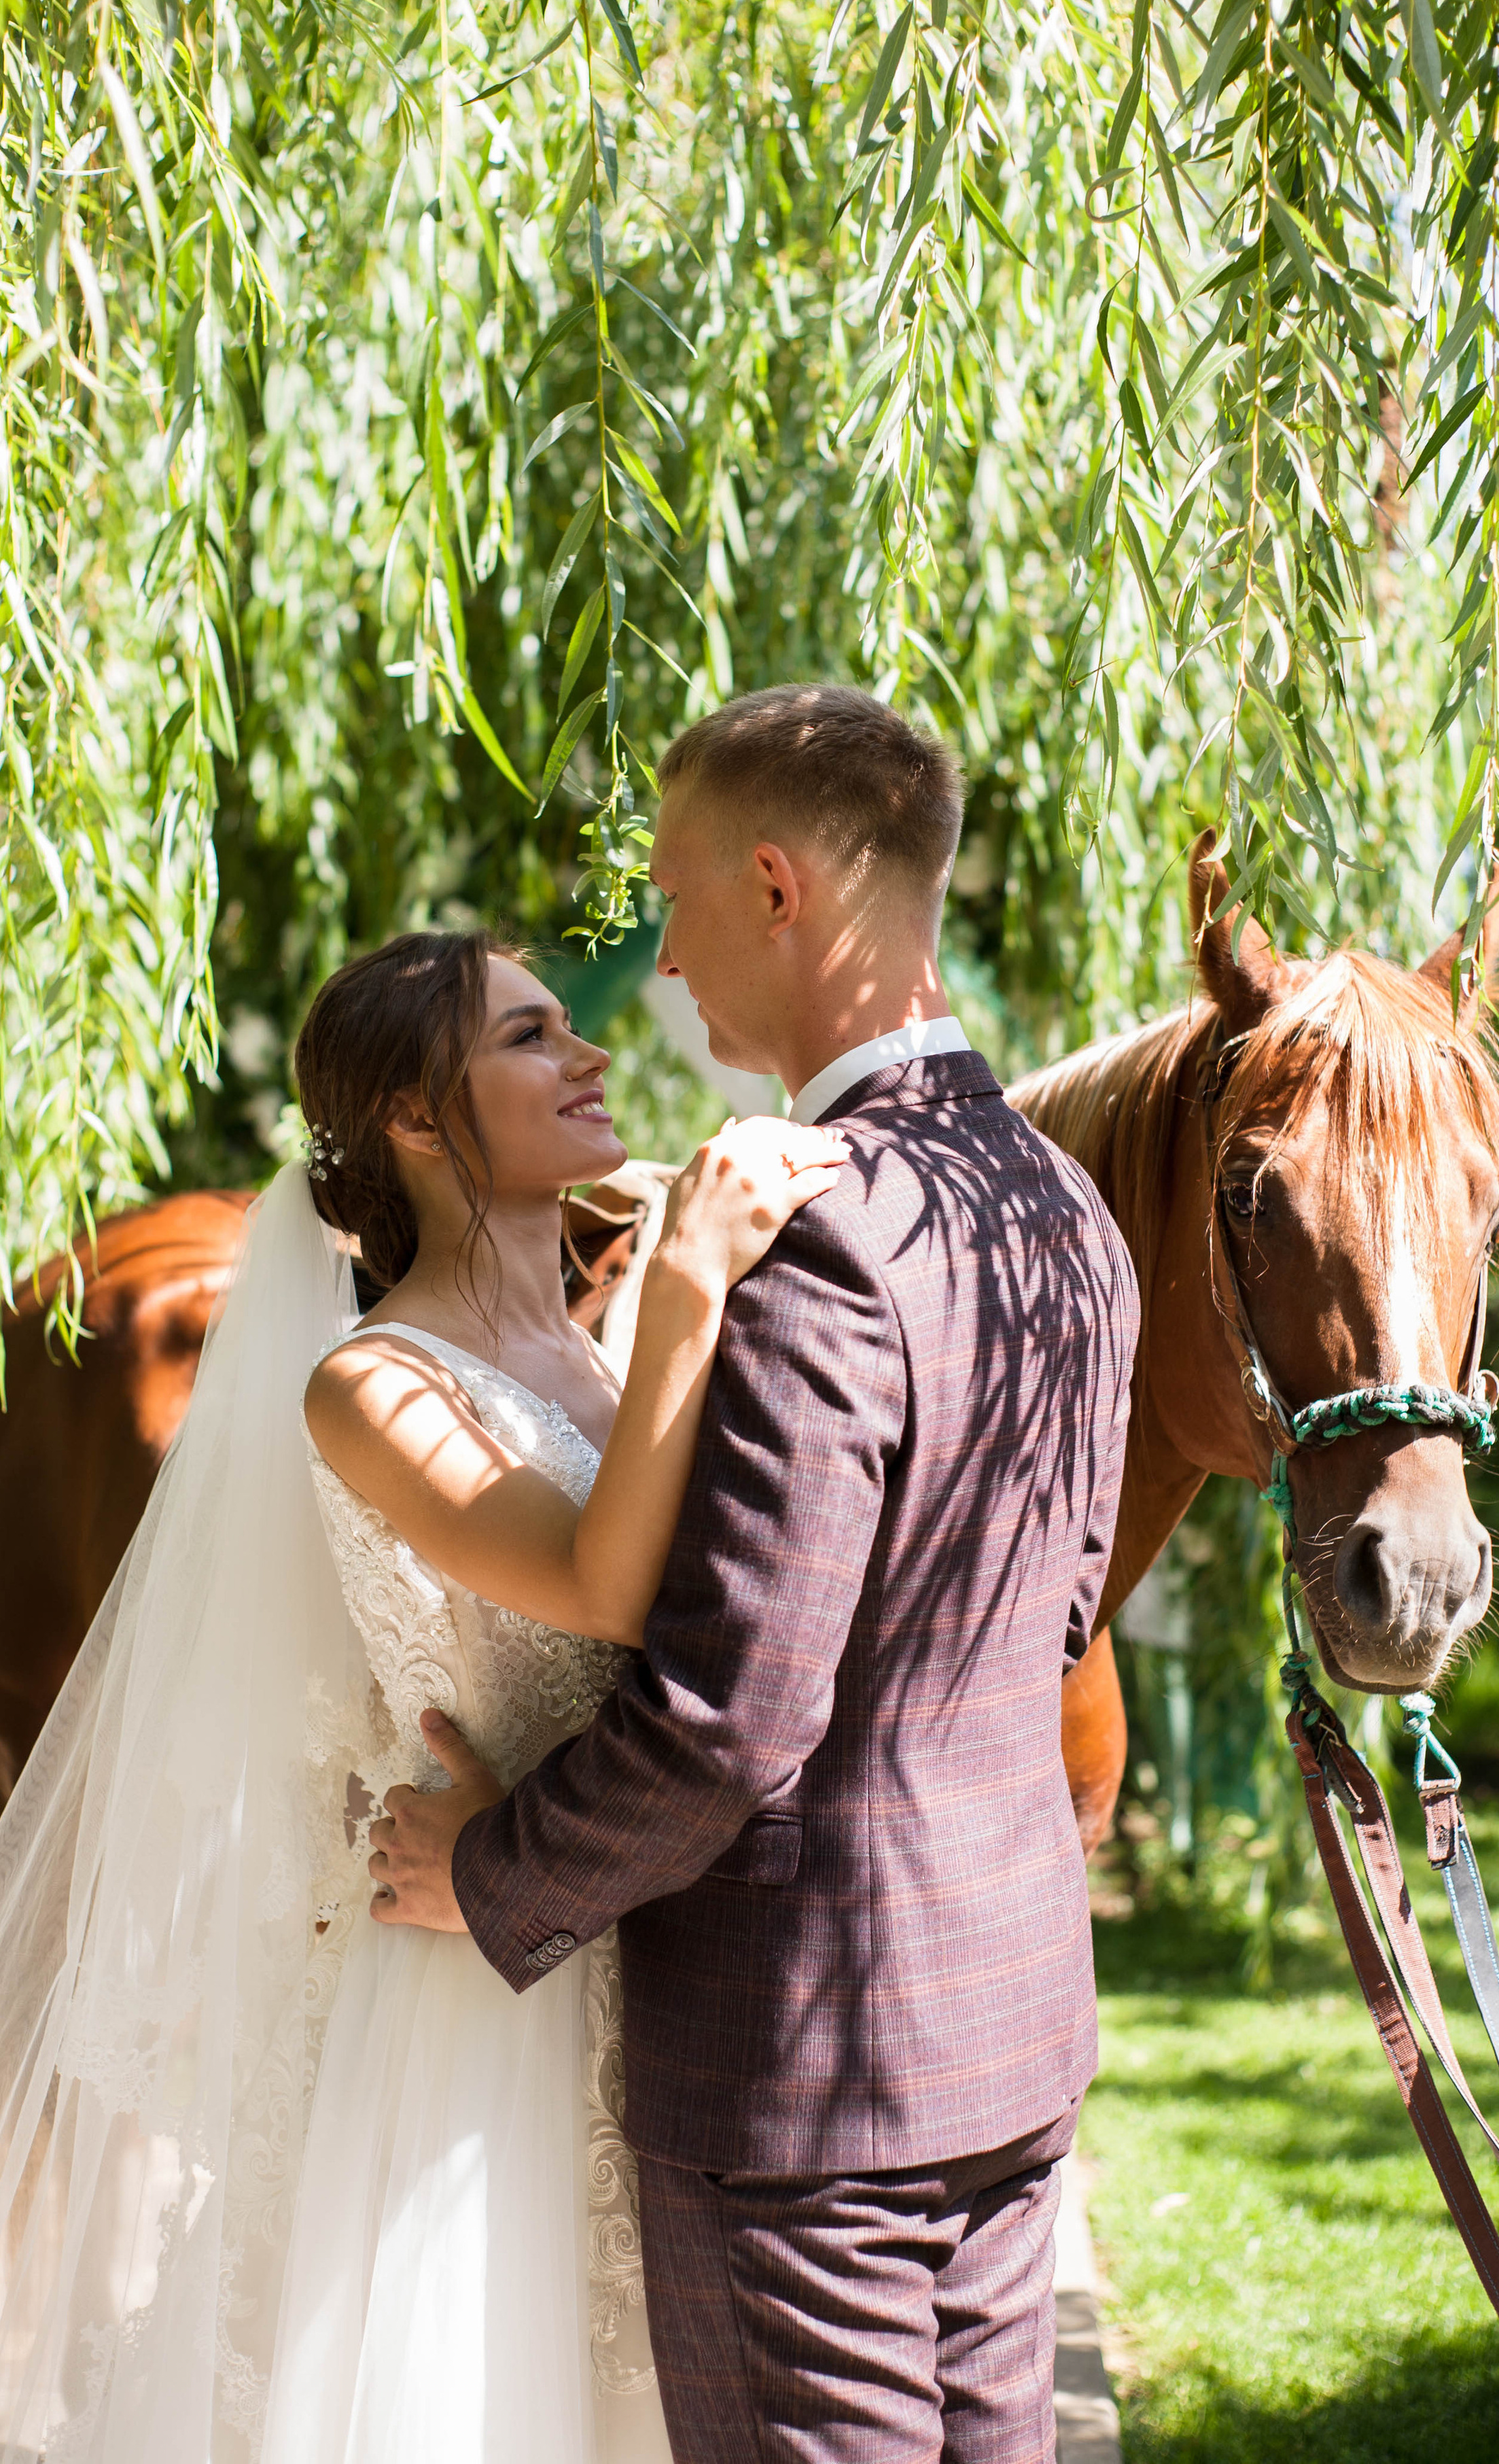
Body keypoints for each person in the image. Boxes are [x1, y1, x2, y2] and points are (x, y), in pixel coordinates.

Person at [0, 925, 843, 2464]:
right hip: (482, 1995)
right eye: (533, 1037)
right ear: (419, 1122)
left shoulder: (594, 1347)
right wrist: (690, 1276)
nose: (592, 1055)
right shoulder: (368, 1387)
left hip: (632, 1927)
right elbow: (603, 1589)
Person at [371, 684, 1140, 2464]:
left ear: (778, 889)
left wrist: (494, 1874)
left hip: (807, 2091)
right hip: (1010, 2032)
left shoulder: (816, 1236)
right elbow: (1061, 1602)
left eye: (674, 892)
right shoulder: (1062, 1207)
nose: (666, 961)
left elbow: (730, 1726)